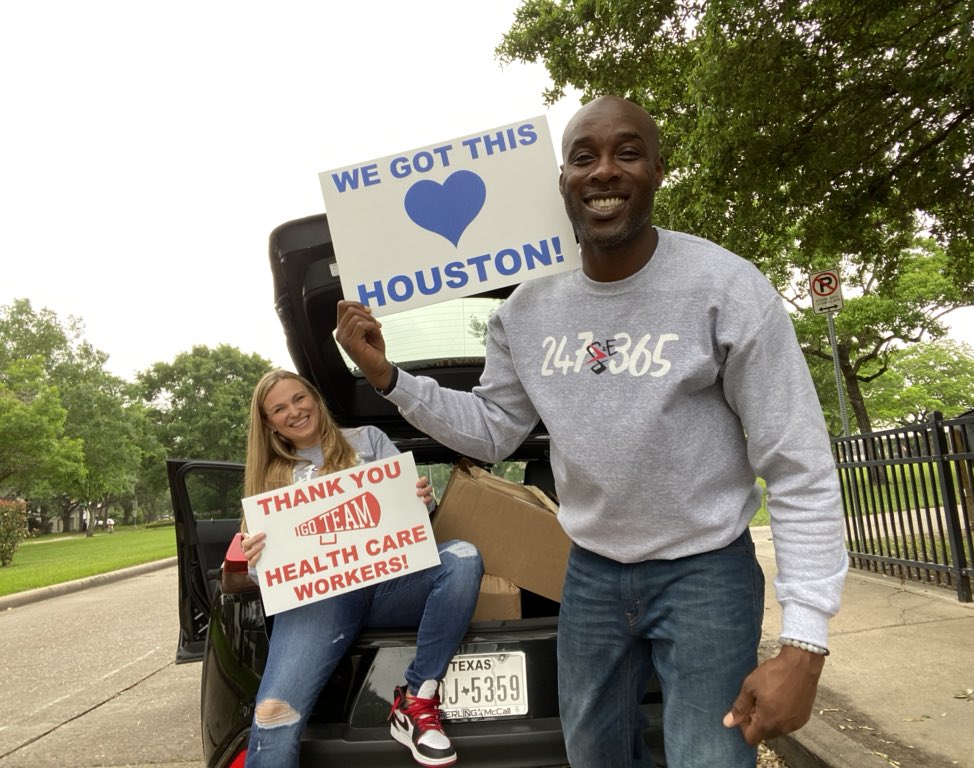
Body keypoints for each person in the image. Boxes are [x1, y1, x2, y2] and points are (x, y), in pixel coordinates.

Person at [335, 95, 848, 768]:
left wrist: (804, 645)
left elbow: (799, 465)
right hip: (591, 576)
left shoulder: (726, 288)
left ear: (659, 170)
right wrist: (389, 379)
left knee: (710, 759)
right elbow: (492, 431)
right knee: (594, 758)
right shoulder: (526, 309)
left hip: (707, 574)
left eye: (626, 152)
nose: (604, 171)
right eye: (584, 157)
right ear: (562, 182)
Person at [239, 369, 483, 768]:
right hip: (318, 602)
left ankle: (417, 700)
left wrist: (422, 500)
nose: (294, 411)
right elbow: (264, 575)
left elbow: (413, 524)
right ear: (269, 424)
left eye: (299, 398)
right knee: (272, 718)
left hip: (388, 587)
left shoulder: (369, 440)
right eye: (279, 409)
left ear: (315, 398)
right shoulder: (268, 477)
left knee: (462, 558)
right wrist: (256, 560)